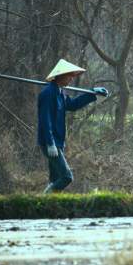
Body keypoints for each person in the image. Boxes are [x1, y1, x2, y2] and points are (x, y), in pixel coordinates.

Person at [37, 59, 108, 193]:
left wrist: (92, 93)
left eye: (72, 76)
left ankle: (50, 206)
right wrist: (50, 143)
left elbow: (73, 105)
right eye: (69, 75)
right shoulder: (47, 93)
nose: (71, 79)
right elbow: (45, 120)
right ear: (61, 75)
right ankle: (45, 197)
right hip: (50, 143)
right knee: (66, 176)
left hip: (58, 142)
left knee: (55, 178)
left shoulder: (60, 94)